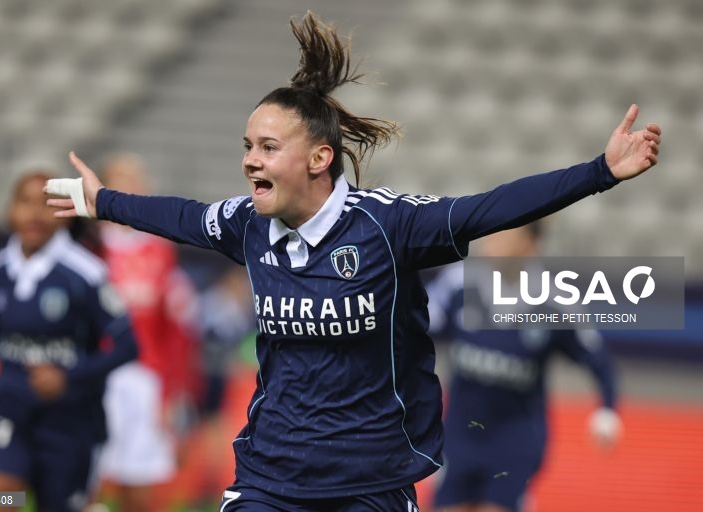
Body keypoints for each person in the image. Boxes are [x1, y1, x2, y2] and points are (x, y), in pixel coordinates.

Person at [45, 11, 660, 511]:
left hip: (371, 478)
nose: (249, 162)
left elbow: (488, 209)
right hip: (271, 472)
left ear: (317, 159)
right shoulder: (246, 224)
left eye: (266, 147)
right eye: (246, 148)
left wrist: (601, 172)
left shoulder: (389, 225)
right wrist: (101, 200)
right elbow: (179, 216)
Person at [0, 172, 138, 512]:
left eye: (46, 204)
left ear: (66, 212)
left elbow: (127, 346)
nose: (34, 214)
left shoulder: (86, 274)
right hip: (8, 417)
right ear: (9, 211)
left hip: (69, 426)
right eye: (24, 202)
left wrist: (67, 377)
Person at [426, 223, 622, 512]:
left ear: (531, 244)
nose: (492, 240)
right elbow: (412, 327)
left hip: (515, 440)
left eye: (505, 233)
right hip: (460, 434)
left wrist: (607, 409)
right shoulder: (458, 283)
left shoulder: (556, 301)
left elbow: (597, 359)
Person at [95, 154, 201, 512]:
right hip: (92, 376)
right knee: (78, 481)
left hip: (143, 379)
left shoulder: (159, 250)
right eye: (118, 180)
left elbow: (175, 332)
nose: (126, 189)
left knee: (137, 487)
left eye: (133, 181)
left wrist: (173, 395)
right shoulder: (87, 245)